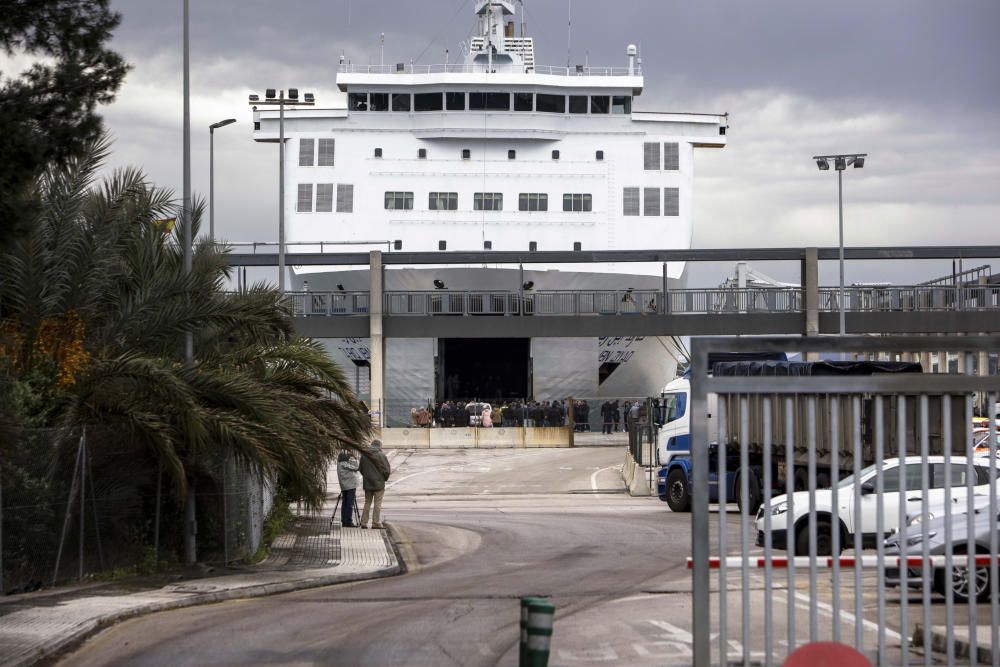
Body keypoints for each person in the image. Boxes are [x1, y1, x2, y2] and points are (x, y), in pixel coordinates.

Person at [359, 439, 391, 529]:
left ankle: (364, 522)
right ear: (379, 446)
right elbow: (387, 470)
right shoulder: (381, 455)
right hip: (379, 483)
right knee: (377, 503)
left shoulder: (364, 455)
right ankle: (375, 523)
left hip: (367, 482)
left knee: (367, 502)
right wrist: (384, 478)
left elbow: (361, 468)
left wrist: (366, 476)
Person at [336, 451, 361, 527]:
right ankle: (348, 521)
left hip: (345, 486)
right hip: (350, 486)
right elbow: (357, 467)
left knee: (345, 503)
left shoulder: (340, 463)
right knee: (349, 504)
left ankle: (344, 520)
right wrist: (355, 459)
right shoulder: (345, 463)